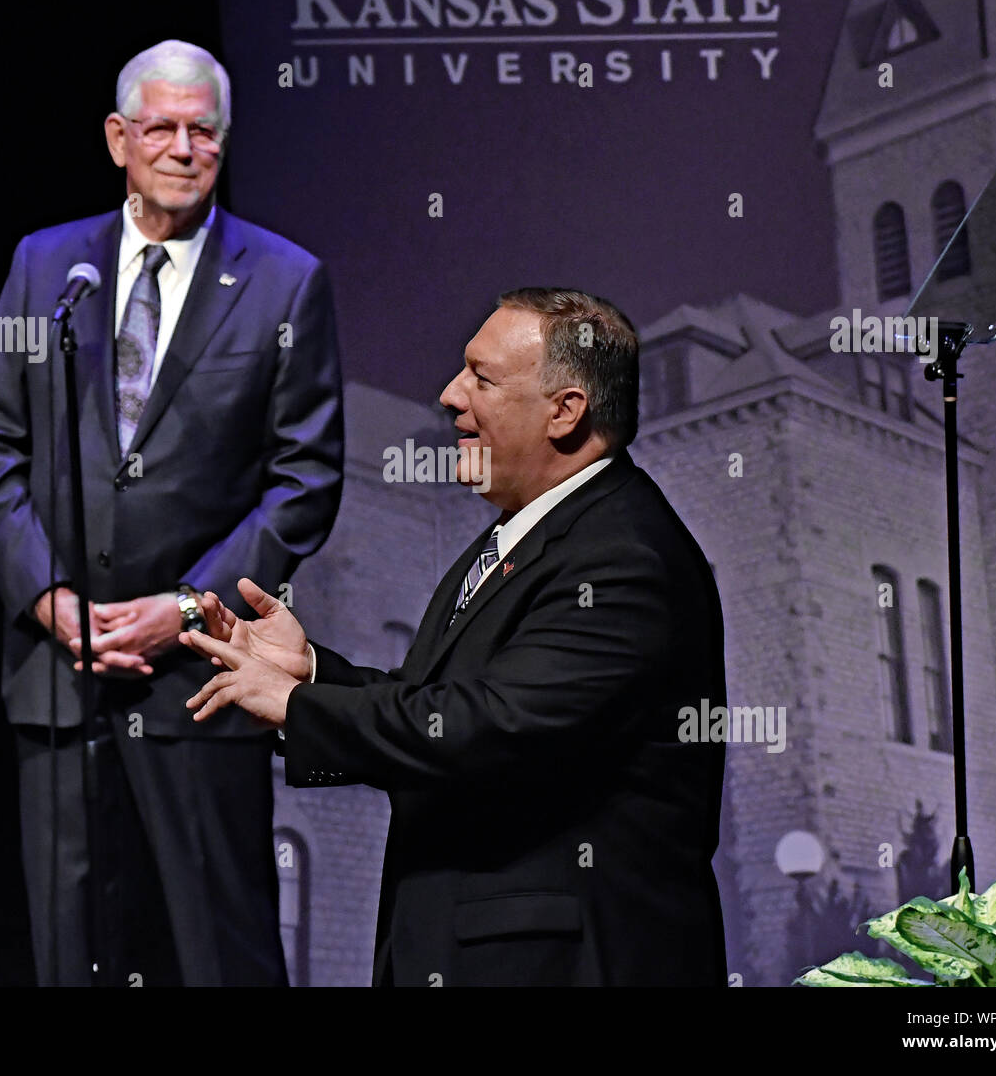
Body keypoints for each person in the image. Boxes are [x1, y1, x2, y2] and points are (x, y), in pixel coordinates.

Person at [181, 288, 727, 986]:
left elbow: (489, 728)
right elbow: (444, 703)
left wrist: (296, 706)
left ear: (565, 410)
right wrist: (313, 674)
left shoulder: (623, 558)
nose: (448, 394)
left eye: (482, 377)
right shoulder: (520, 536)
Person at [0, 39, 344, 985]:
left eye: (202, 130)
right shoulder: (46, 265)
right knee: (71, 953)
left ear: (224, 141)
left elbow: (306, 479)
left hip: (203, 679)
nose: (182, 147)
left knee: (225, 953)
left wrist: (181, 608)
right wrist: (50, 598)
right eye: (161, 127)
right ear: (118, 138)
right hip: (60, 672)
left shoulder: (285, 281)